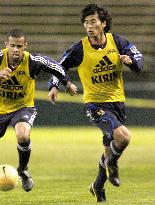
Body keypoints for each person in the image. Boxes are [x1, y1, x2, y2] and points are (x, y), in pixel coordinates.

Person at [0, 28, 77, 202]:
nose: (16, 50)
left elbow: (55, 66)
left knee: (22, 133)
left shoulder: (32, 60)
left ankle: (22, 169)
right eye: (12, 45)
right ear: (7, 45)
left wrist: (65, 83)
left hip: (23, 107)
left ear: (25, 46)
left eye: (19, 46)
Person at [48, 4, 144, 203]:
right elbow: (59, 66)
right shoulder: (79, 48)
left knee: (109, 149)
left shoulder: (117, 41)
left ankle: (98, 187)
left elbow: (139, 61)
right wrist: (54, 85)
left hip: (117, 103)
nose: (89, 26)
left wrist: (130, 61)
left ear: (103, 23)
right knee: (123, 137)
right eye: (86, 23)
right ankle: (113, 166)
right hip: (95, 104)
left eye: (93, 22)